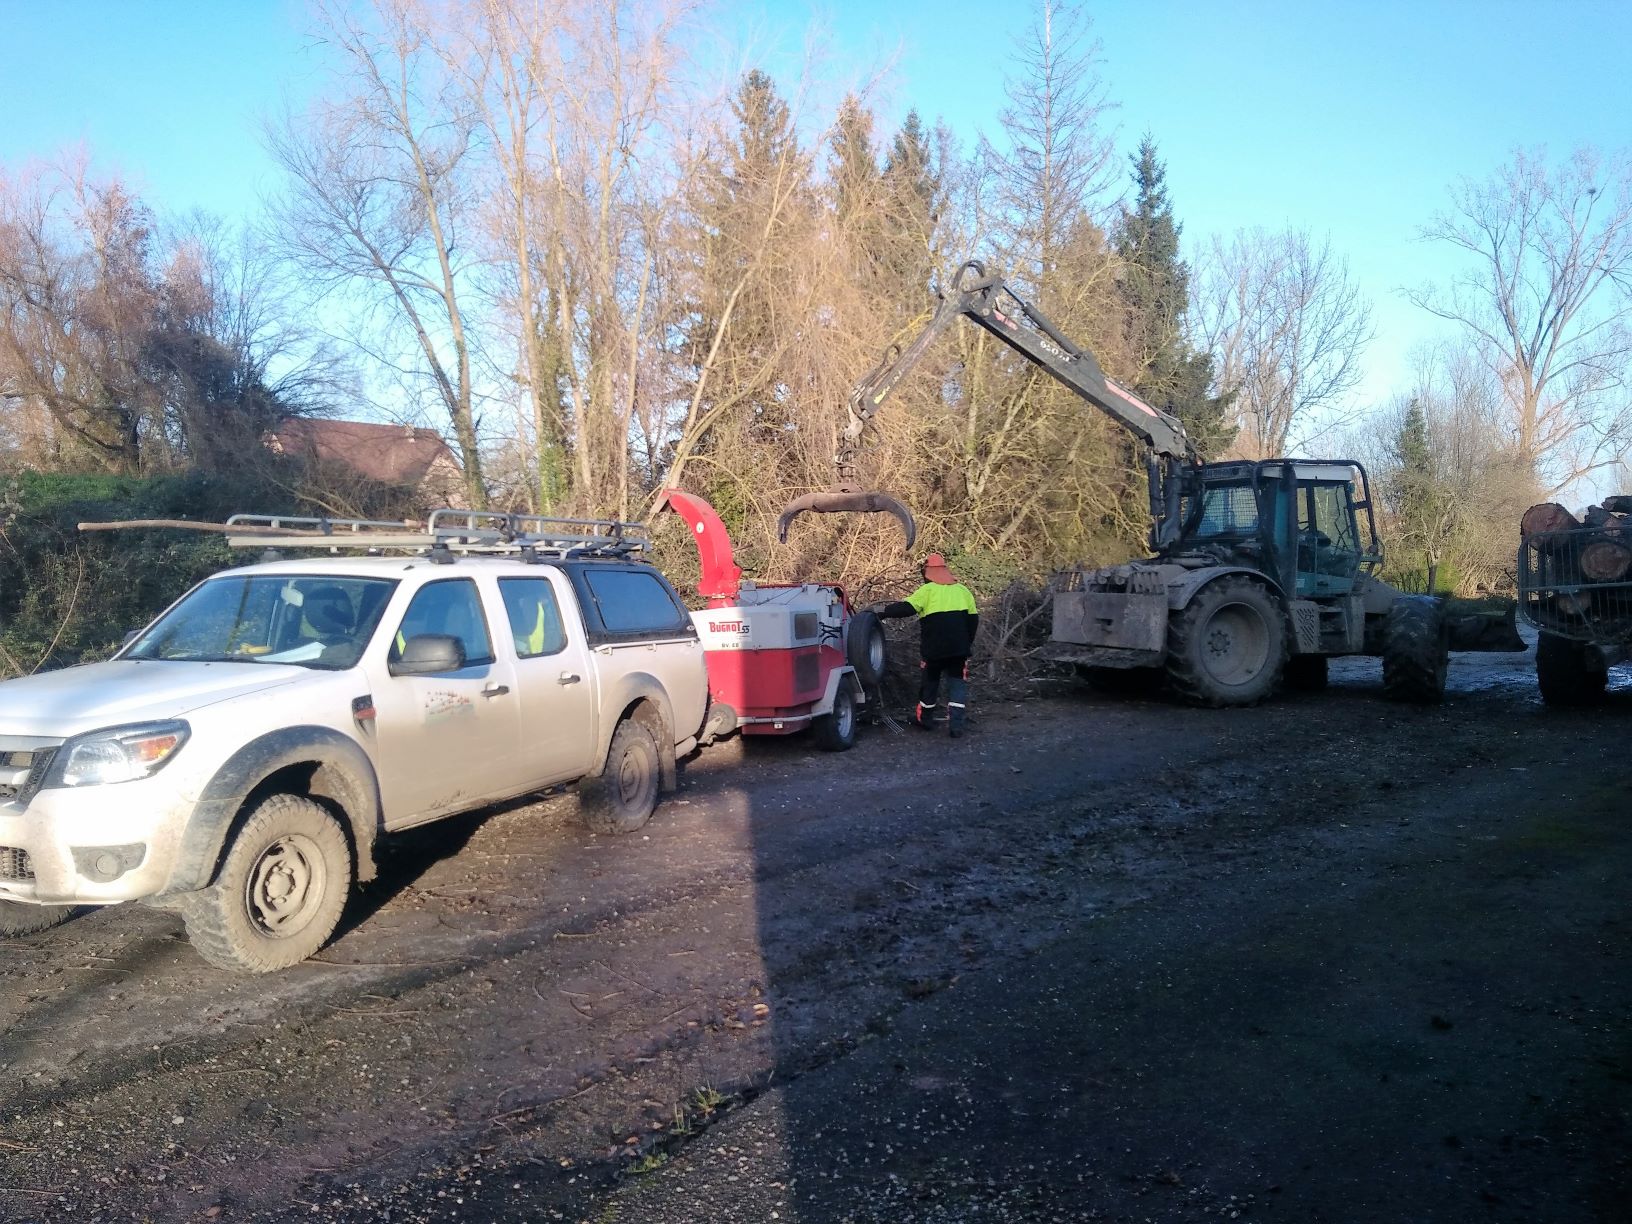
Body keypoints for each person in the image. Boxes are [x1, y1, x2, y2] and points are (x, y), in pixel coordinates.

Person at [874, 553, 979, 737]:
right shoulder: (963, 591)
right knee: (957, 685)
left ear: (927, 573)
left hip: (934, 650)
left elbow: (906, 608)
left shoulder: (928, 591)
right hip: (959, 650)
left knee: (930, 683)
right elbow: (973, 621)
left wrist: (881, 612)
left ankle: (926, 720)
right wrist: (965, 643)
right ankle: (956, 726)